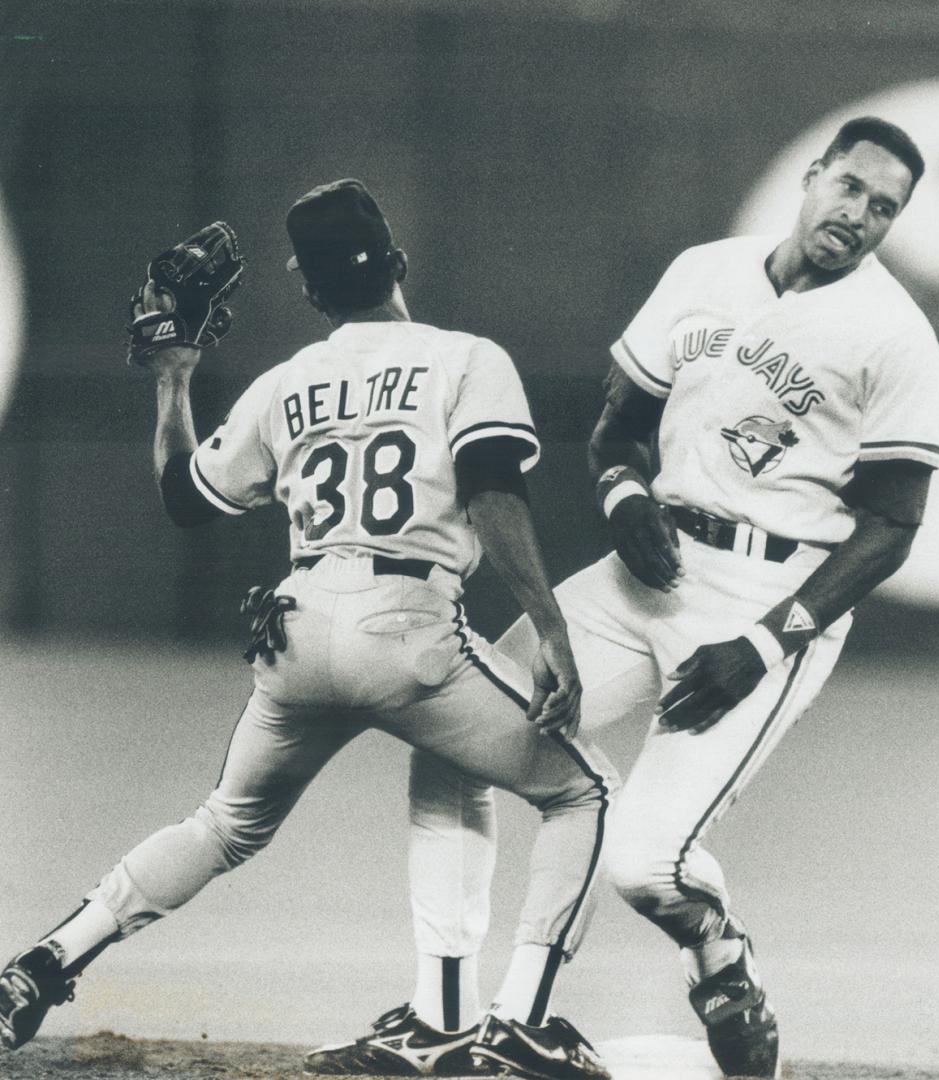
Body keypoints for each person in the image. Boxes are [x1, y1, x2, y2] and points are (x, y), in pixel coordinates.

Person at [305, 117, 939, 1079]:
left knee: (648, 866)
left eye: (884, 208)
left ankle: (722, 957)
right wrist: (622, 493)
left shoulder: (897, 340)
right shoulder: (705, 271)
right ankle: (447, 1018)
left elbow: (891, 527)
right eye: (850, 188)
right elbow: (617, 427)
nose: (858, 216)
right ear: (812, 175)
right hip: (646, 571)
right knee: (454, 747)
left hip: (768, 599)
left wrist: (770, 642)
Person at [0, 180, 617, 1080]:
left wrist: (173, 381)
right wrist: (550, 629)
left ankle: (42, 965)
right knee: (585, 794)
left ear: (310, 289)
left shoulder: (287, 382)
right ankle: (517, 1023)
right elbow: (490, 490)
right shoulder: (466, 357)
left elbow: (185, 500)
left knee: (222, 826)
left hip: (297, 628)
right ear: (397, 265)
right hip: (409, 632)